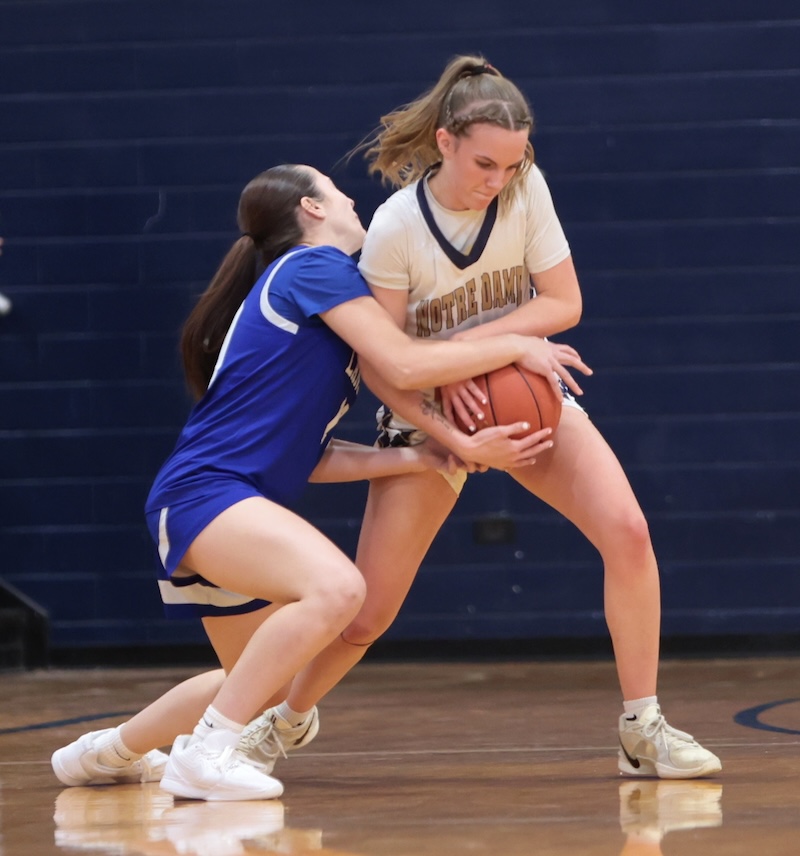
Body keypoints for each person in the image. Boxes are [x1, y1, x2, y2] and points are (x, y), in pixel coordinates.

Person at [243, 56, 722, 781]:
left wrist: (478, 353)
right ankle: (283, 722)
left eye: (512, 163)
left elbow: (564, 303)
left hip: (522, 393)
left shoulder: (527, 189)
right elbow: (384, 364)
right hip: (429, 414)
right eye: (484, 164)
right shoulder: (397, 226)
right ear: (445, 143)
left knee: (628, 533)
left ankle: (643, 726)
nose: (498, 179)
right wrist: (454, 408)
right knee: (368, 614)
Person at [50, 163, 590, 801]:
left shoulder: (309, 292)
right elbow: (404, 363)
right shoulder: (314, 267)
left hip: (212, 501)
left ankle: (104, 754)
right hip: (207, 494)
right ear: (310, 209)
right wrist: (517, 346)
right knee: (340, 590)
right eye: (335, 191)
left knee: (262, 683)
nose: (350, 199)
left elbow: (311, 459)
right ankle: (206, 754)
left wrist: (426, 457)